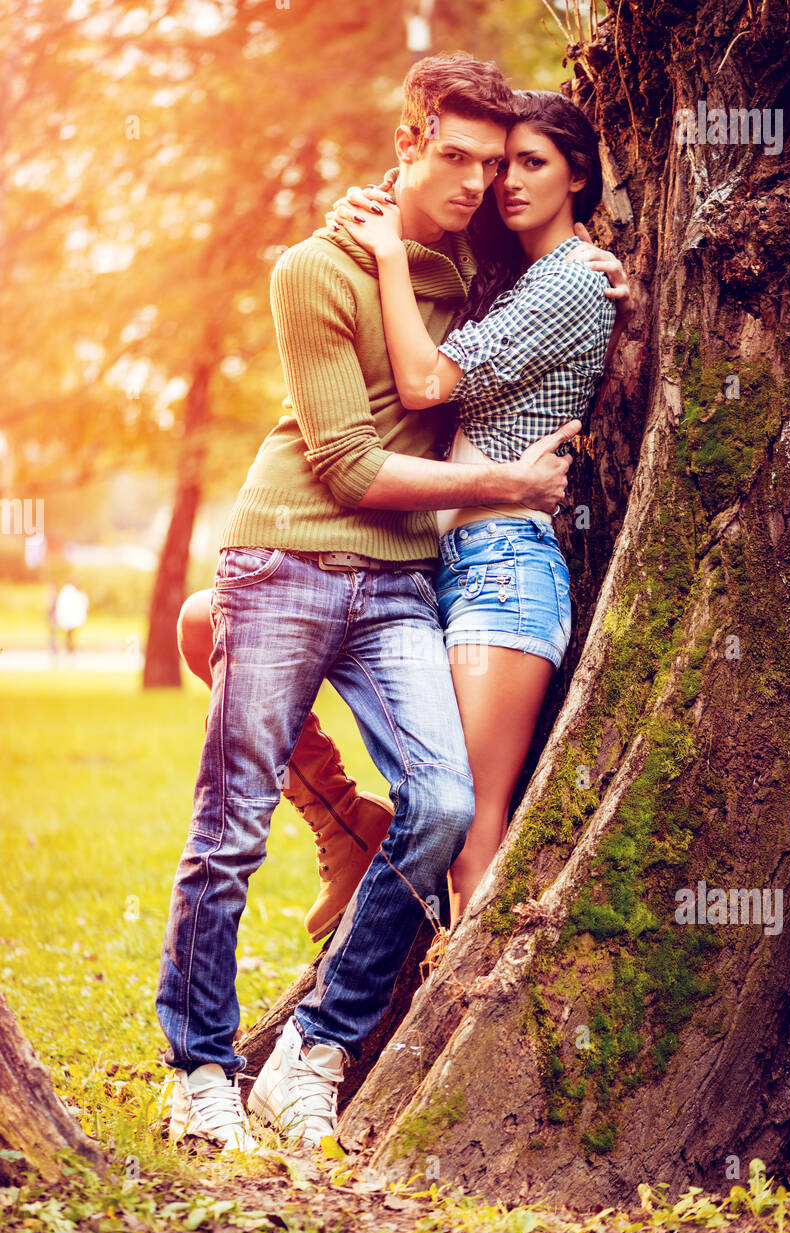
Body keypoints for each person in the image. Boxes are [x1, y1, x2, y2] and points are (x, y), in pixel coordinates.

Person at [157, 52, 583, 1155]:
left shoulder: (468, 268)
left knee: (441, 808)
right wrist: (505, 482)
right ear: (407, 143)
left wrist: (602, 271)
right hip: (291, 554)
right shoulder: (315, 264)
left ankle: (316, 1048)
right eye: (453, 157)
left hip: (400, 581)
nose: (478, 183)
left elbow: (552, 262)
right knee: (228, 826)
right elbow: (348, 466)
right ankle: (198, 1069)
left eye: (493, 166)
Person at [327, 89, 632, 922]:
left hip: (506, 566)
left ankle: (455, 1016)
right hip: (445, 566)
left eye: (530, 164)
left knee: (469, 833)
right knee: (438, 807)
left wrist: (388, 257)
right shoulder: (511, 277)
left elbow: (427, 382)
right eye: (499, 166)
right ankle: (345, 833)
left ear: (578, 175)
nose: (504, 183)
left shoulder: (568, 281)